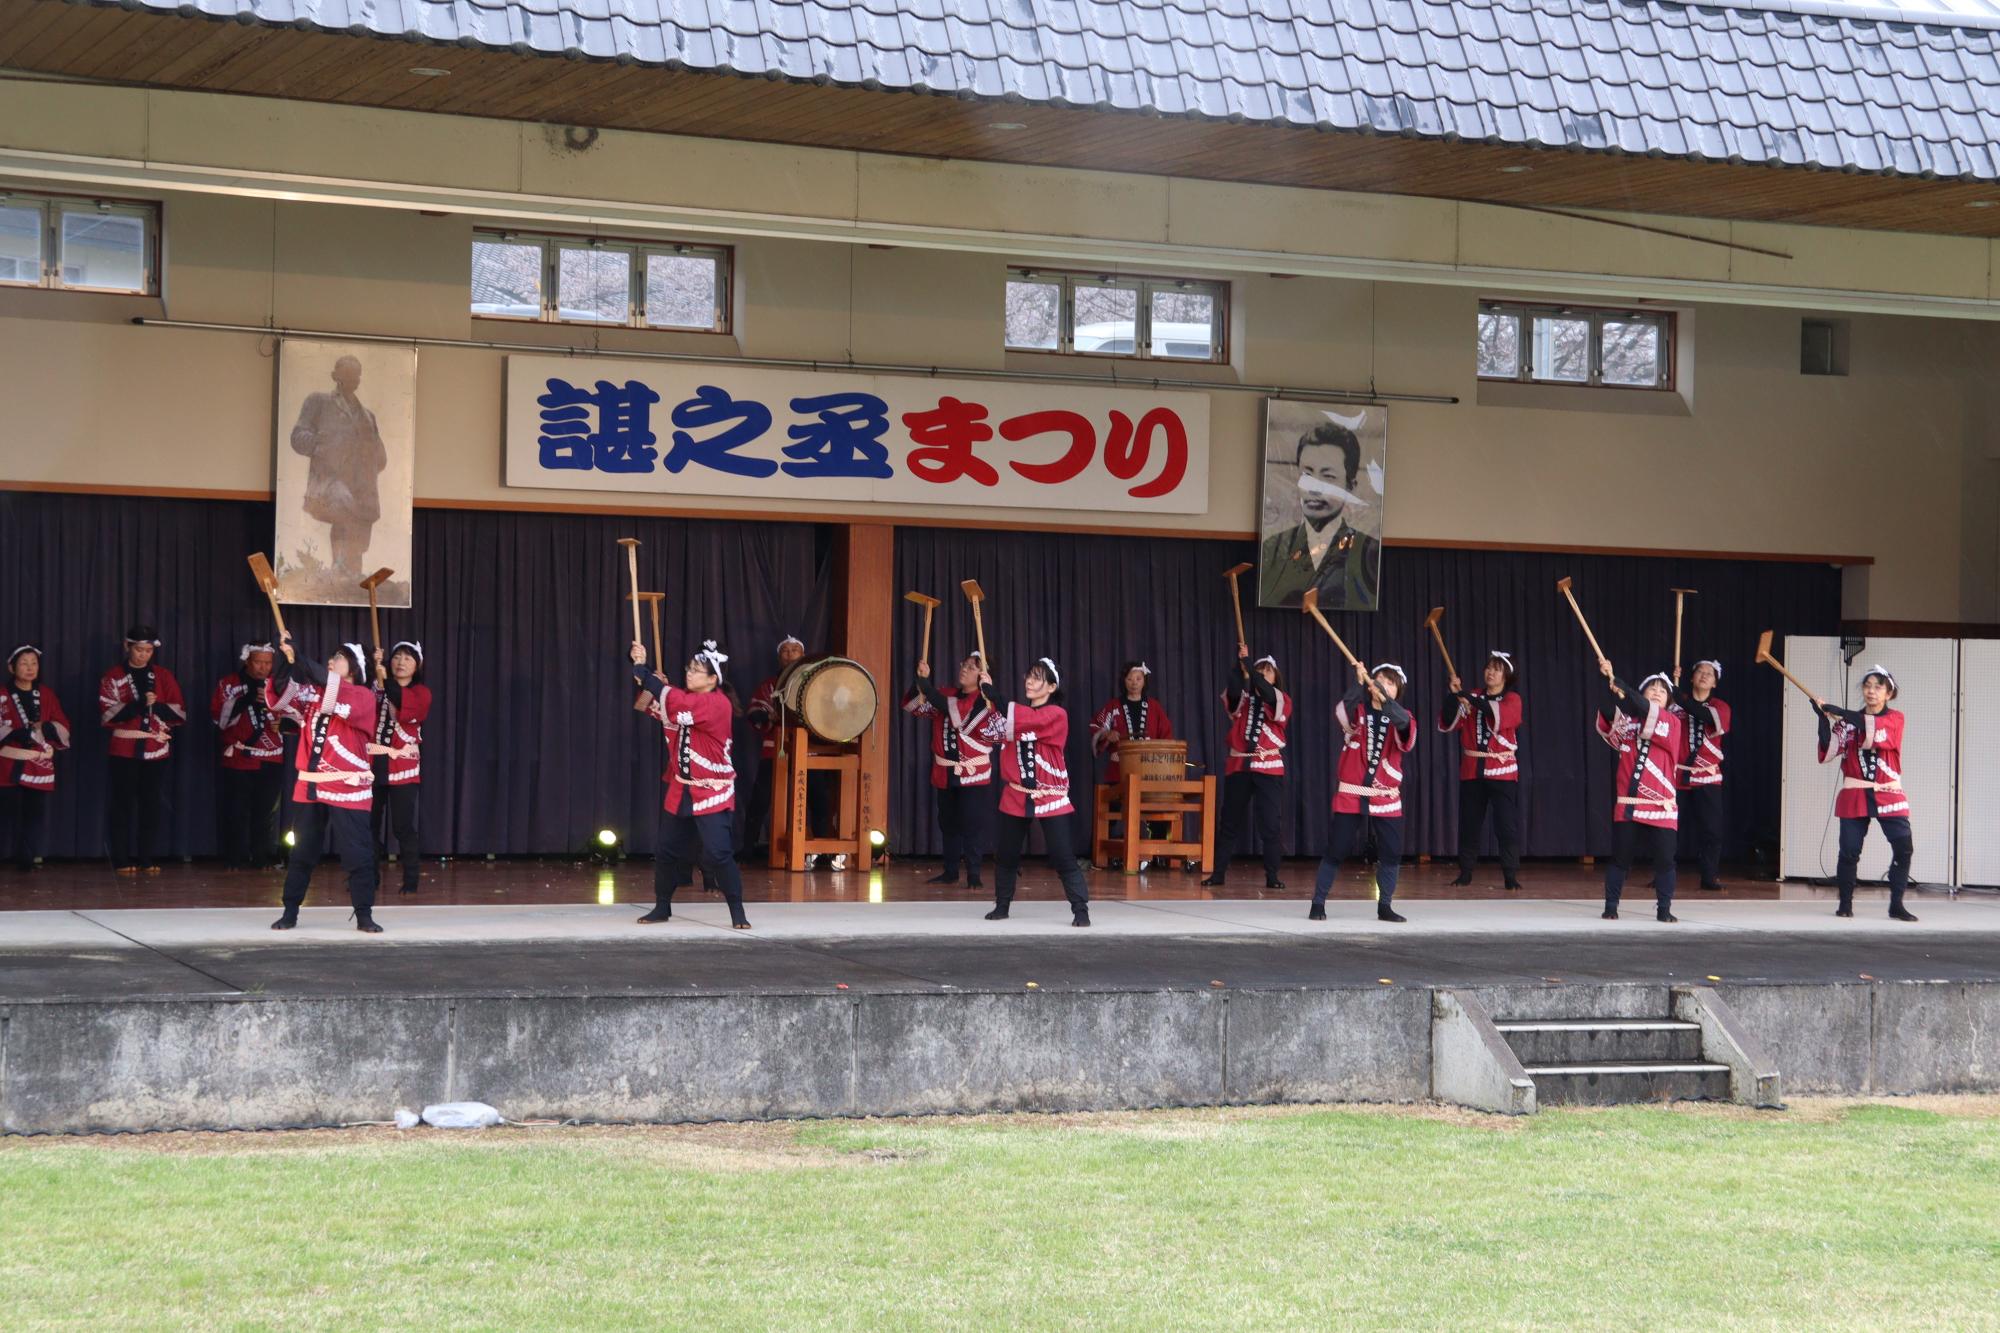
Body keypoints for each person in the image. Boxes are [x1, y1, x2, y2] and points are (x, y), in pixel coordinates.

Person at [269, 635, 389, 933]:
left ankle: (364, 914)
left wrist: (301, 656)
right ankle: (290, 910)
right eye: (331, 657)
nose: (332, 661)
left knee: (357, 853)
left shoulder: (362, 696)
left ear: (355, 668)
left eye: (340, 657)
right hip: (311, 786)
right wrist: (286, 658)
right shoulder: (314, 693)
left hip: (349, 787)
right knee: (302, 852)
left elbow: (330, 685)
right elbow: (281, 691)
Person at [629, 639, 751, 929]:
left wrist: (650, 678)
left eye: (696, 670)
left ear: (712, 679)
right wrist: (641, 671)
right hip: (682, 787)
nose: (689, 673)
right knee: (665, 851)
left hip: (712, 789)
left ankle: (737, 912)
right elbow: (653, 705)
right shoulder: (684, 700)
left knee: (718, 853)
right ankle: (662, 906)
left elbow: (676, 704)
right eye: (689, 668)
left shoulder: (716, 703)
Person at [978, 657, 1090, 925]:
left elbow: (1030, 720)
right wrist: (988, 702)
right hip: (1016, 794)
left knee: (1062, 855)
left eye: (1037, 678)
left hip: (1050, 795)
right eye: (1029, 676)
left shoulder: (1056, 714)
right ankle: (1002, 905)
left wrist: (996, 697)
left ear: (1051, 687)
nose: (1029, 681)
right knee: (1006, 854)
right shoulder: (1014, 715)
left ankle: (1080, 909)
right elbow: (989, 732)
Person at [1310, 662, 1416, 923]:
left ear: (1398, 690)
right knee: (1337, 848)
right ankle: (1318, 901)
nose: (1383, 685)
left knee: (1391, 851)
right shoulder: (1358, 711)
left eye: (1390, 683)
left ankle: (1385, 905)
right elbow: (1341, 712)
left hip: (1386, 795)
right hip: (1352, 793)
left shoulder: (1403, 716)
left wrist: (1386, 701)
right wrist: (1359, 685)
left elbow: (1405, 729)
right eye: (1379, 679)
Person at [1812, 667, 1918, 921]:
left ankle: (1896, 905)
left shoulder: (1895, 718)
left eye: (1878, 687)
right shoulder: (1847, 723)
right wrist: (1823, 719)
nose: (1871, 691)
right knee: (1849, 851)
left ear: (1889, 694)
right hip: (1855, 793)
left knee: (1903, 848)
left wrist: (1841, 712)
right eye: (1867, 685)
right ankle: (1845, 904)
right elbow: (1829, 751)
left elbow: (1874, 732)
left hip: (1888, 792)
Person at [1257, 418, 1382, 611]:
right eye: (1307, 475)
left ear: (1350, 486)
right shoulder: (1272, 549)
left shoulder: (1368, 552)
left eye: (1328, 477)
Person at [1595, 662, 1686, 923]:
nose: (1657, 692)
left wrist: (1627, 689)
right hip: (1629, 805)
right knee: (1620, 858)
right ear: (1643, 692)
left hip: (1661, 807)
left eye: (1662, 690)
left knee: (1665, 860)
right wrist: (1609, 684)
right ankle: (1611, 906)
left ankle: (1664, 909)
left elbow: (1648, 710)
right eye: (1652, 688)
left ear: (1668, 700)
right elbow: (1607, 712)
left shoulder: (1672, 723)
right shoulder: (1629, 725)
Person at [744, 635, 840, 867]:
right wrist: (770, 716)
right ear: (779, 657)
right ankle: (747, 851)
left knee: (820, 799)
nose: (790, 654)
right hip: (776, 750)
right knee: (760, 800)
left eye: (794, 650)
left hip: (809, 751)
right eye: (785, 651)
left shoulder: (816, 684)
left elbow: (827, 714)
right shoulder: (770, 685)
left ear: (803, 655)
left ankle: (823, 852)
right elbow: (756, 712)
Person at [1201, 644, 1291, 889]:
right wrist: (1238, 665)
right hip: (1240, 764)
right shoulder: (1244, 700)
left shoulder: (1281, 699)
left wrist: (1251, 667)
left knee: (1270, 823)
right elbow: (1233, 690)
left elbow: (1267, 694)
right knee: (1229, 822)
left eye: (1267, 671)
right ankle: (1218, 873)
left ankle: (1272, 875)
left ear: (1276, 677)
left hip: (1269, 767)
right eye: (1259, 670)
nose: (1262, 674)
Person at [289, 353, 388, 576]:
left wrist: (367, 462)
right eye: (347, 375)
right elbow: (297, 437)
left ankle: (351, 573)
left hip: (362, 486)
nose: (352, 380)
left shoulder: (368, 416)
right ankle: (339, 567)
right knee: (344, 505)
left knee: (360, 524)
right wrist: (322, 446)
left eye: (356, 376)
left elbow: (381, 458)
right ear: (335, 376)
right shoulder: (319, 402)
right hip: (329, 480)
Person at [99, 625, 186, 875]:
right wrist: (138, 704)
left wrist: (156, 706)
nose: (143, 655)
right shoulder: (113, 676)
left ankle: (146, 856)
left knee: (151, 804)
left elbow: (179, 711)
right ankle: (121, 858)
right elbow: (107, 713)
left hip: (155, 748)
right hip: (124, 748)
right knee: (122, 804)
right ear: (127, 647)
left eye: (148, 650)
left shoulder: (163, 676)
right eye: (139, 650)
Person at [903, 650, 995, 887]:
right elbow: (916, 707)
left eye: (972, 667)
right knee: (948, 823)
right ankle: (950, 871)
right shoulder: (945, 694)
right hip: (945, 772)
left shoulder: (983, 702)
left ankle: (974, 874)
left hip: (973, 774)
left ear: (983, 676)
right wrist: (919, 682)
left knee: (972, 824)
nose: (964, 669)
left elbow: (958, 713)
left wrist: (928, 687)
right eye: (964, 664)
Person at [1438, 652, 1524, 891]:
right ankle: (1465, 872)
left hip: (1502, 771)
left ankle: (1510, 875)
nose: (1490, 672)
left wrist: (1467, 697)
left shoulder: (1512, 699)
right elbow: (1448, 721)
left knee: (1506, 825)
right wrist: (1454, 695)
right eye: (1489, 667)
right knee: (1469, 824)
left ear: (1506, 676)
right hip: (1472, 771)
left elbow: (1497, 714)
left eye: (1497, 669)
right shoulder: (1472, 696)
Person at [1090, 660, 1175, 866]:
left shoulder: (1154, 707)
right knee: (1111, 811)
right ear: (1124, 681)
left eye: (1138, 678)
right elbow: (1095, 726)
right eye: (1130, 679)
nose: (1134, 682)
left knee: (1156, 809)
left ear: (1145, 681)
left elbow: (1166, 736)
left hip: (1150, 770)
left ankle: (1158, 854)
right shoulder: (1113, 706)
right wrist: (1107, 734)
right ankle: (1104, 855)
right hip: (1118, 770)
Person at [212, 643, 287, 868]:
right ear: (247, 661)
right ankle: (234, 858)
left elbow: (297, 715)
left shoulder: (279, 685)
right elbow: (219, 719)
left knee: (265, 811)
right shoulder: (229, 684)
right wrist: (247, 699)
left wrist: (283, 723)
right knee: (237, 810)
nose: (263, 667)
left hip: (272, 757)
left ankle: (261, 857)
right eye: (258, 662)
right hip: (239, 757)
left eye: (268, 663)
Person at [0, 646, 71, 872]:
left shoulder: (46, 694)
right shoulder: (2, 695)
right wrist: (15, 733)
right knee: (9, 812)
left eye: (34, 663)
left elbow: (62, 724)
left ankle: (28, 857)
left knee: (34, 813)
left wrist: (47, 727)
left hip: (38, 764)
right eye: (24, 663)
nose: (30, 668)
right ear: (11, 667)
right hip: (9, 762)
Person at [372, 640, 431, 894]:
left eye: (407, 658)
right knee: (369, 825)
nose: (401, 662)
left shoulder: (421, 693)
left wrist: (385, 678)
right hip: (374, 763)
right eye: (397, 657)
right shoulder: (377, 687)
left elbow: (401, 705)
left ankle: (411, 880)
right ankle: (368, 877)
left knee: (403, 827)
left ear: (417, 665)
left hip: (403, 766)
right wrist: (375, 670)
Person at [1672, 659, 1731, 891]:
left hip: (1707, 776)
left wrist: (1681, 700)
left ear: (1715, 683)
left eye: (1709, 674)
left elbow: (1706, 717)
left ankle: (1709, 876)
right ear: (1691, 677)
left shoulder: (1720, 707)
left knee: (1712, 830)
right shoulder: (1675, 705)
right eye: (1700, 672)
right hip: (1678, 774)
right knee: (1669, 829)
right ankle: (1664, 873)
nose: (1704, 675)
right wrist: (1671, 693)